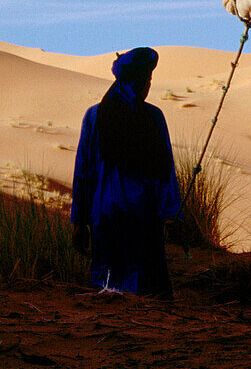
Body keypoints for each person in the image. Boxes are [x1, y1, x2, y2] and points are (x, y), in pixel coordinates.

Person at [70, 47, 180, 298]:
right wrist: (170, 215)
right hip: (134, 214)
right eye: (145, 81)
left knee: (113, 288)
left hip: (112, 213)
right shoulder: (150, 117)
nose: (148, 87)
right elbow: (166, 171)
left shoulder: (98, 116)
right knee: (138, 290)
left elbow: (82, 173)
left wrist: (79, 221)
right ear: (134, 82)